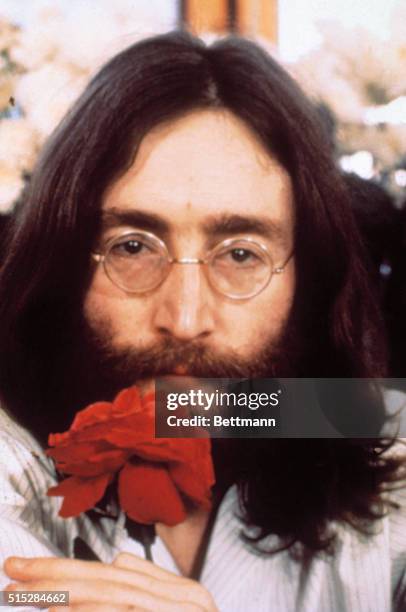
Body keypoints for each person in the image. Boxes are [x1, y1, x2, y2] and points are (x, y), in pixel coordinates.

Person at [0, 31, 405, 611]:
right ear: (62, 261)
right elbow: (13, 593)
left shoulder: (351, 428)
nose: (185, 320)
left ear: (308, 280)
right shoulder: (12, 446)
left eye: (242, 255)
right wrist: (45, 595)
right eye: (132, 248)